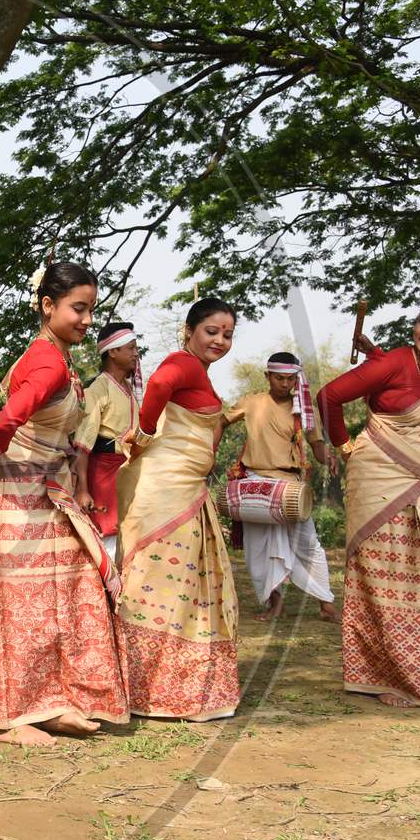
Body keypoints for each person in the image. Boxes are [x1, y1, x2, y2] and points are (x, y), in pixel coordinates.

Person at [0, 262, 127, 746]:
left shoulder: (55, 356)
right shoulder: (46, 362)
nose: (86, 319)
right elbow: (5, 422)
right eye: (78, 308)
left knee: (64, 596)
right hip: (19, 500)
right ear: (47, 306)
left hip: (44, 496)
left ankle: (54, 702)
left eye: (91, 309)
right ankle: (10, 717)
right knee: (19, 605)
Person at [318, 291, 420, 707]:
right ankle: (394, 676)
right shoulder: (395, 361)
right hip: (379, 480)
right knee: (387, 577)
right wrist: (344, 446)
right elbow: (328, 396)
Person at [114, 298, 241, 721]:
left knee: (180, 588)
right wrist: (145, 432)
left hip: (182, 491)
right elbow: (158, 386)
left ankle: (171, 685)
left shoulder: (197, 371)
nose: (220, 340)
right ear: (189, 330)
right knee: (158, 585)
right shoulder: (182, 363)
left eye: (227, 334)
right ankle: (146, 687)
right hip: (164, 494)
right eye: (211, 331)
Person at [222, 352, 340, 622]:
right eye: (279, 378)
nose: (285, 384)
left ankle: (326, 604)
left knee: (309, 545)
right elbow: (220, 422)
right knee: (259, 549)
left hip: (291, 487)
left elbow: (316, 444)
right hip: (256, 484)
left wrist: (329, 458)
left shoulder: (303, 408)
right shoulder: (251, 402)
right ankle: (275, 604)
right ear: (268, 376)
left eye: (290, 379)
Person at [72, 321, 141, 560]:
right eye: (131, 347)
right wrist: (83, 489)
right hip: (104, 475)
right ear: (113, 351)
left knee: (127, 538)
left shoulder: (130, 391)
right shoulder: (98, 390)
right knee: (107, 541)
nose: (136, 353)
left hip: (127, 473)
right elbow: (82, 446)